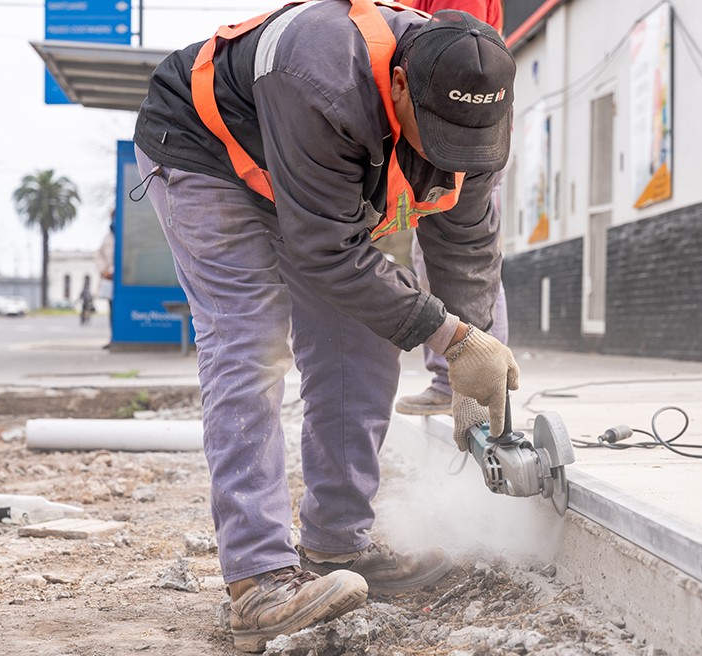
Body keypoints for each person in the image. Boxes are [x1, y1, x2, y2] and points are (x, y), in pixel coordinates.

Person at [132, 1, 519, 651]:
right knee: (250, 342)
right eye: (436, 136)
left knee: (362, 337)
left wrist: (471, 353)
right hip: (208, 149)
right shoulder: (321, 73)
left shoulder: (477, 107)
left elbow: (465, 245)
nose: (447, 155)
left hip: (312, 173)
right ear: (400, 85)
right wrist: (450, 336)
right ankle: (257, 581)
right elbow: (328, 252)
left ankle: (338, 542)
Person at [393, 0, 508, 417]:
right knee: (448, 251)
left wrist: (464, 350)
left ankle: (470, 382)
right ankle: (466, 376)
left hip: (459, 120)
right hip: (449, 114)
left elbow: (456, 51)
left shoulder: (457, 23)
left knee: (462, 250)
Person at [95, 219, 115, 346]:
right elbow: (99, 255)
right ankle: (113, 337)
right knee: (112, 310)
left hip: (123, 278)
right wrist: (104, 271)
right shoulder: (108, 237)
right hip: (110, 279)